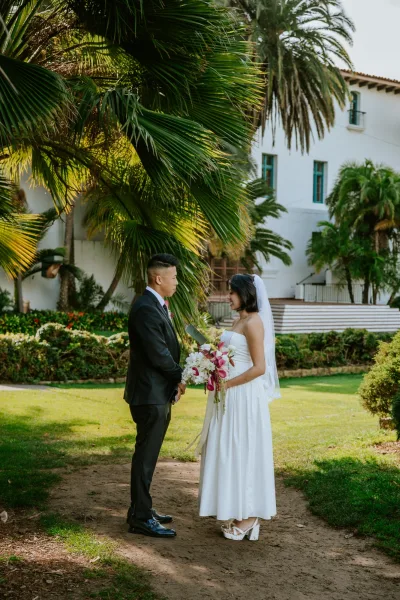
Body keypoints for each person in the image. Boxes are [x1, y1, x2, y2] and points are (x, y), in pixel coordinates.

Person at [198, 273, 280, 541]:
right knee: (230, 450)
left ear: (245, 294)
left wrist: (227, 384)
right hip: (230, 395)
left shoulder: (254, 322)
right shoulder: (239, 320)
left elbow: (259, 368)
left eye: (232, 292)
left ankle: (250, 517)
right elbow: (229, 356)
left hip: (244, 396)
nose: (228, 296)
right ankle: (240, 511)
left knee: (245, 450)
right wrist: (209, 363)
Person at [124, 254, 186, 538]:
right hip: (149, 395)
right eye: (173, 277)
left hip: (157, 393)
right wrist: (180, 376)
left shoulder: (155, 305)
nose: (176, 281)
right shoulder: (146, 308)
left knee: (147, 455)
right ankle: (140, 517)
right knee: (145, 456)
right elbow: (158, 354)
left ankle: (142, 509)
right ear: (158, 279)